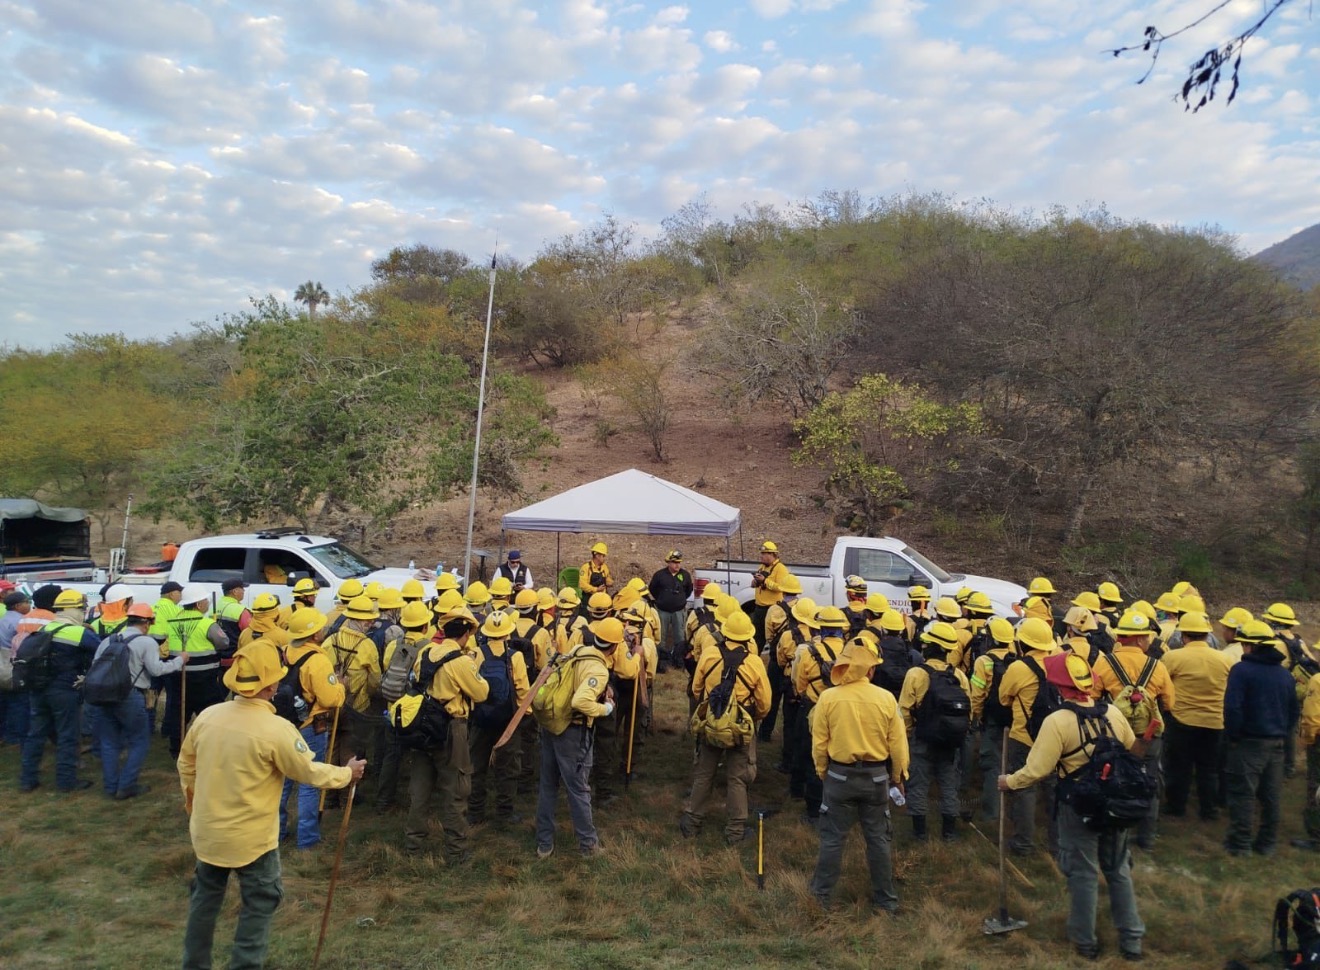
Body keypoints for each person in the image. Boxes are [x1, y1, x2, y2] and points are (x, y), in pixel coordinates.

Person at [178, 639, 366, 970]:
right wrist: (345, 774)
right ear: (273, 684)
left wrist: (195, 807)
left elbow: (186, 766)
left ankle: (194, 964)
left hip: (207, 835)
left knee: (203, 902)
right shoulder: (276, 730)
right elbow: (307, 771)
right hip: (254, 841)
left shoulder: (207, 717)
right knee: (259, 903)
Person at [998, 652, 1145, 962]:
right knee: (1119, 871)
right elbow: (1132, 746)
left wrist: (1009, 782)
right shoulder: (1114, 714)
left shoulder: (1057, 721)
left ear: (1060, 687)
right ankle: (1132, 942)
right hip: (1115, 804)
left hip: (1078, 806)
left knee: (1083, 874)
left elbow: (1037, 770)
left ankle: (1085, 943)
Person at [809, 639, 909, 913]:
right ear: (870, 670)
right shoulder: (886, 699)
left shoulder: (828, 698)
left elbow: (819, 742)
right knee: (878, 839)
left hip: (839, 777)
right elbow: (898, 744)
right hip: (877, 779)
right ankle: (886, 902)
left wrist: (823, 772)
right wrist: (898, 777)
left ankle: (820, 898)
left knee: (832, 839)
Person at [405, 604, 489, 862]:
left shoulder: (426, 652)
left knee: (419, 788)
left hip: (423, 726)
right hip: (452, 728)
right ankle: (456, 850)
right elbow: (481, 693)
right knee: (456, 789)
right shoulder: (462, 662)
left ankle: (413, 847)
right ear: (465, 633)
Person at [680, 611, 771, 844]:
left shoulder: (709, 655)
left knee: (704, 772)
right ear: (748, 637)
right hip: (740, 726)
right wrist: (752, 720)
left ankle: (692, 823)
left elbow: (697, 689)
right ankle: (735, 832)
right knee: (737, 777)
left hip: (712, 721)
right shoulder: (754, 662)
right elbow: (765, 703)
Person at [1091, 610, 1174, 851]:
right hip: (1148, 736)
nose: (1150, 640)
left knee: (1110, 779)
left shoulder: (1104, 662)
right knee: (1149, 781)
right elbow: (1170, 703)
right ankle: (1147, 838)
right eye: (1147, 636)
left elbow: (1093, 695)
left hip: (1113, 734)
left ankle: (1111, 833)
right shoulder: (1157, 666)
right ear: (1138, 639)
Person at [1222, 619, 1297, 857]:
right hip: (1276, 743)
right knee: (1270, 796)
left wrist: (1234, 735)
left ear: (1252, 646)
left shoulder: (1241, 671)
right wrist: (1282, 732)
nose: (1242, 648)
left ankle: (1240, 844)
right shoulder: (1284, 674)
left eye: (1244, 644)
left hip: (1248, 742)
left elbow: (1233, 707)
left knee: (1243, 793)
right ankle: (1267, 844)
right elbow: (1293, 710)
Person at [97, 602, 184, 799]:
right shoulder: (147, 642)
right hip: (130, 695)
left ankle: (111, 787)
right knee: (139, 740)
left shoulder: (108, 641)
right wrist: (180, 661)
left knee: (109, 742)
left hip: (104, 694)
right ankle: (127, 785)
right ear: (147, 622)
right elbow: (157, 670)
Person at [19, 589, 102, 793]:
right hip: (64, 691)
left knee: (36, 734)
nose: (84, 611)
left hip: (38, 688)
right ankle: (66, 781)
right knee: (68, 735)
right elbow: (102, 651)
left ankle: (28, 780)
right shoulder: (79, 632)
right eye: (82, 608)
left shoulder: (45, 628)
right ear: (73, 609)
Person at [277, 607, 345, 849]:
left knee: (282, 781)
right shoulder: (317, 660)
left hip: (285, 725)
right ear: (314, 635)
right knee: (309, 781)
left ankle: (277, 833)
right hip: (309, 727)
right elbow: (330, 699)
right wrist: (340, 686)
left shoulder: (286, 651)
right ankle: (307, 839)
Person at [898, 621, 971, 842]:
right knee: (949, 784)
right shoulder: (959, 676)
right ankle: (949, 833)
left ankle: (920, 834)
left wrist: (909, 735)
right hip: (950, 740)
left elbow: (904, 710)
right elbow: (969, 709)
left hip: (922, 738)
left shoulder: (916, 674)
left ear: (929, 647)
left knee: (918, 784)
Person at [997, 615, 1062, 855]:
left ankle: (1023, 843)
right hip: (1056, 738)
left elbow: (1004, 698)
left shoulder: (1018, 667)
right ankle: (1058, 845)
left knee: (1024, 788)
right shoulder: (1060, 663)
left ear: (1022, 643)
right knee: (1055, 791)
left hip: (1024, 736)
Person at [1161, 611, 1235, 822]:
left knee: (1179, 767)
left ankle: (1176, 807)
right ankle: (1208, 810)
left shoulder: (1173, 657)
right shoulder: (1225, 659)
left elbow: (1163, 685)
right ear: (1206, 635)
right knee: (1208, 769)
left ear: (1184, 636)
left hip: (1182, 720)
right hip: (1214, 722)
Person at [467, 609, 530, 826]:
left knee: (476, 766)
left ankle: (475, 812)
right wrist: (523, 716)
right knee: (508, 767)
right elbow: (522, 689)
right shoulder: (516, 657)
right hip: (508, 721)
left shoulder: (475, 654)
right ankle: (504, 813)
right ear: (508, 632)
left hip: (480, 719)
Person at [792, 604, 848, 824]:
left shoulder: (806, 652)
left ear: (819, 627)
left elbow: (798, 682)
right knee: (838, 756)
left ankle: (812, 809)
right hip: (842, 710)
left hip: (813, 707)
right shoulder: (850, 651)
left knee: (809, 755)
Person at [321, 595, 382, 791]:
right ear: (359, 620)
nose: (372, 623)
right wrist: (369, 696)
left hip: (330, 704)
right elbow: (375, 680)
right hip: (357, 707)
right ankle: (347, 794)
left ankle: (329, 795)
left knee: (331, 747)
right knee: (351, 749)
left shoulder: (330, 640)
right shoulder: (367, 646)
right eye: (369, 620)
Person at [164, 585, 231, 759]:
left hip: (177, 675)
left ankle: (176, 748)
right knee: (211, 713)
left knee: (179, 711)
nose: (207, 603)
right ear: (199, 604)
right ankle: (212, 746)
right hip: (204, 678)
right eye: (205, 600)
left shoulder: (173, 621)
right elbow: (223, 643)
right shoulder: (207, 623)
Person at [969, 616, 1018, 822]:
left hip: (992, 720)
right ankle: (1015, 814)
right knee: (1015, 766)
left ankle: (991, 815)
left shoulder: (984, 661)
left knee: (992, 766)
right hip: (1015, 720)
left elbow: (978, 694)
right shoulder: (1017, 660)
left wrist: (976, 716)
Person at [648, 550, 693, 673]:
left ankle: (679, 663)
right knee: (660, 637)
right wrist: (662, 599)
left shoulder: (685, 575)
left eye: (678, 562)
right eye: (674, 562)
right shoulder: (659, 575)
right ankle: (660, 663)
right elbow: (653, 589)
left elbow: (689, 590)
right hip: (663, 611)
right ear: (668, 563)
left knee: (679, 637)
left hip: (679, 611)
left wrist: (680, 600)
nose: (677, 565)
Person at [0, 589, 31, 745]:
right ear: (18, 605)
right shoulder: (21, 622)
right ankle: (17, 736)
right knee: (19, 702)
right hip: (14, 665)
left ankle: (4, 734)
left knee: (3, 701)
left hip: (1, 665)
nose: (29, 605)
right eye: (27, 602)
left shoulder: (3, 620)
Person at [750, 540, 790, 646]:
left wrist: (765, 581)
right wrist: (755, 582)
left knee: (772, 639)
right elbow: (759, 583)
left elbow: (781, 587)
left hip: (771, 610)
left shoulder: (780, 569)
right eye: (761, 553)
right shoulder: (762, 566)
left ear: (772, 554)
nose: (761, 556)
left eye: (764, 554)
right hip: (759, 608)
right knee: (757, 637)